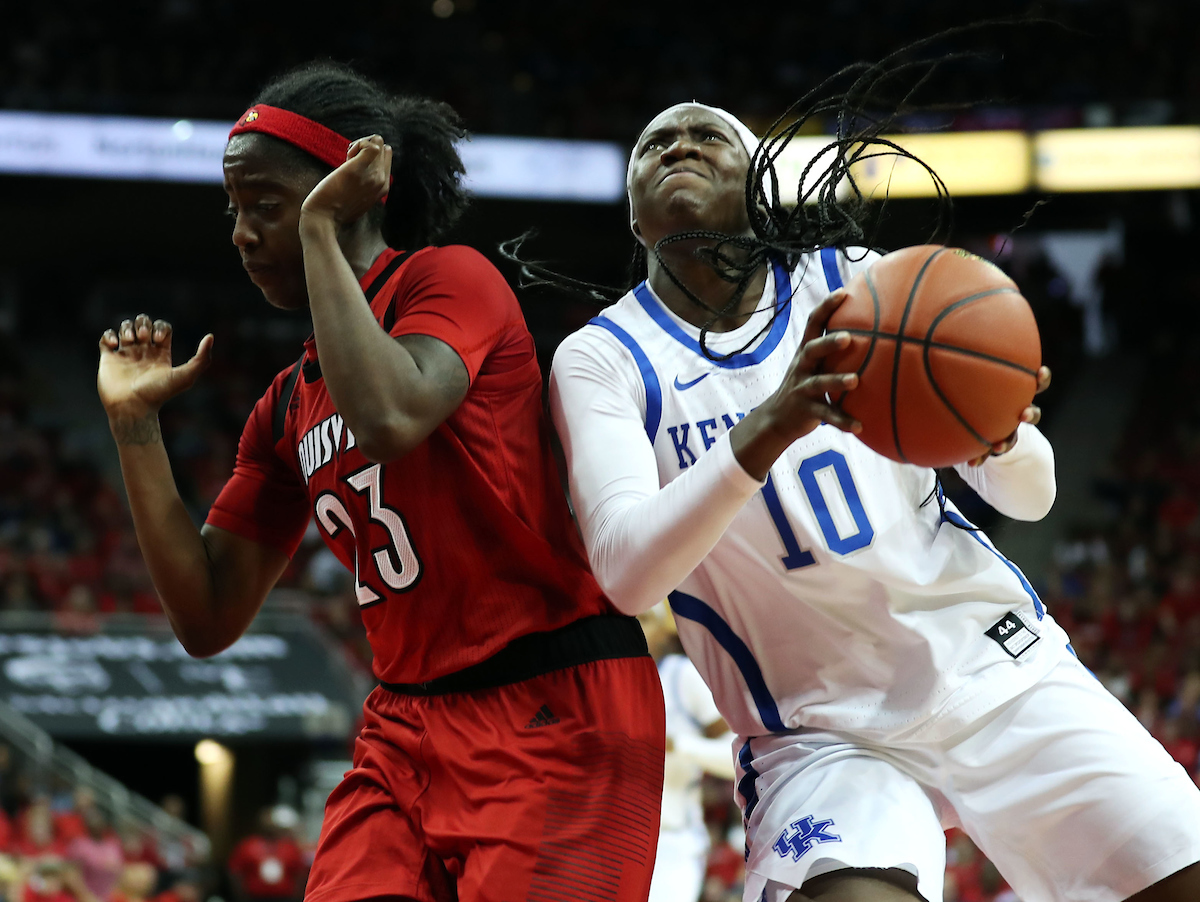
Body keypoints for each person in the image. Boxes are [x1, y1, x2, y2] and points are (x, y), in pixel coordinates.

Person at [543, 98, 1200, 902]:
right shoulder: (602, 357)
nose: (679, 144)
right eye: (655, 143)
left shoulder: (856, 282)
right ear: (636, 217)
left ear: (759, 189)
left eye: (708, 135)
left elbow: (1031, 498)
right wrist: (769, 425)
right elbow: (626, 572)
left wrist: (1000, 433)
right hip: (817, 731)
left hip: (989, 667)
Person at [95, 61, 664, 902]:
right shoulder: (285, 404)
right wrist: (135, 429)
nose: (240, 234)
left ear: (348, 195)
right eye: (233, 210)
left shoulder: (450, 280)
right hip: (405, 725)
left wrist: (321, 231)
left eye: (266, 206)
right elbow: (208, 617)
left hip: (554, 701)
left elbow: (392, 417)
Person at [638, 603, 735, 902]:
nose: (634, 629)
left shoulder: (681, 676)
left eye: (641, 620)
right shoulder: (600, 678)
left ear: (661, 627)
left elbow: (738, 758)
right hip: (602, 837)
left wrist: (678, 745)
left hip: (670, 843)